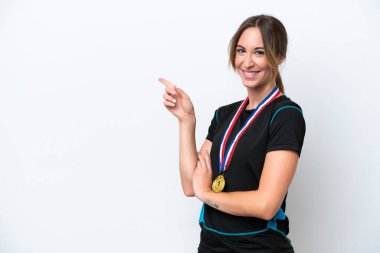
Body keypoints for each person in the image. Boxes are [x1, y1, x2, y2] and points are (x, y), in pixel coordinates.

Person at [159, 14, 306, 253]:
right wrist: (187, 121)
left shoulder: (285, 115)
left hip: (258, 247)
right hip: (211, 245)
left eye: (259, 52)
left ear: (278, 56)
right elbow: (189, 185)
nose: (247, 62)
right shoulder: (224, 115)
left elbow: (266, 205)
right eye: (241, 51)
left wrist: (206, 193)